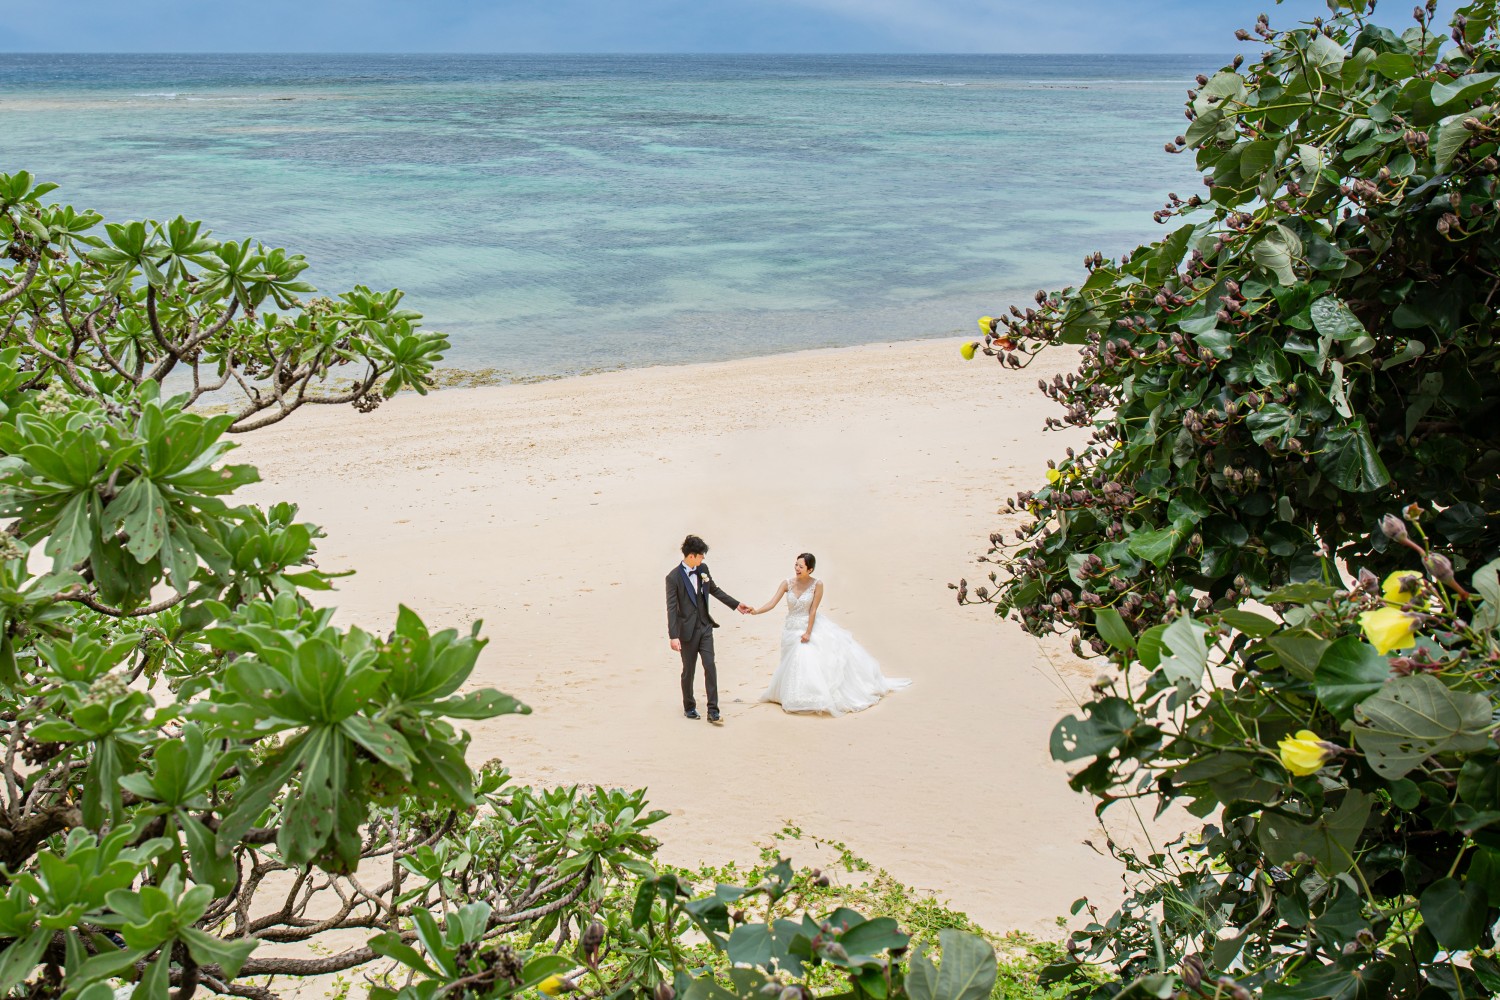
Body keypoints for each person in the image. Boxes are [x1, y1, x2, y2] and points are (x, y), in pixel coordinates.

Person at [749, 553, 910, 715]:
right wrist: (756, 611)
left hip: (807, 626)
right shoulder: (787, 583)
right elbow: (772, 602)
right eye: (796, 565)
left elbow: (813, 610)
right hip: (790, 627)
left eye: (801, 566)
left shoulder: (817, 585)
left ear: (810, 569)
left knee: (803, 659)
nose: (797, 569)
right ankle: (787, 693)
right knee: (789, 662)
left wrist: (808, 632)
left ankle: (805, 696)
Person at [665, 534, 751, 723]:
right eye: (701, 555)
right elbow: (671, 608)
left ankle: (713, 711)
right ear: (691, 556)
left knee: (710, 665)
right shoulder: (673, 577)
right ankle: (689, 707)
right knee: (689, 670)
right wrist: (673, 636)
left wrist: (736, 605)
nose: (703, 559)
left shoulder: (703, 569)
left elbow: (714, 589)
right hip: (686, 632)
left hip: (705, 628)